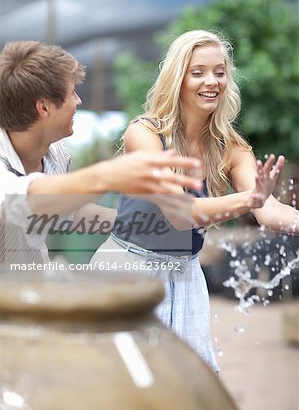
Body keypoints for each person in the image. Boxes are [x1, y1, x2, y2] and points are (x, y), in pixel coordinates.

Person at [90, 30, 299, 373]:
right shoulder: (144, 134)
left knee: (190, 382)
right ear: (178, 78)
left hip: (185, 274)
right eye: (198, 71)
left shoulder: (232, 147)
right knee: (128, 381)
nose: (212, 81)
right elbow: (181, 214)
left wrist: (263, 202)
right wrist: (250, 198)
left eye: (220, 72)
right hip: (128, 270)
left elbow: (270, 211)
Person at [0, 40, 202, 268]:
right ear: (44, 108)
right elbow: (22, 200)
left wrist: (137, 225)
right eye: (72, 93)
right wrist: (109, 175)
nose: (79, 101)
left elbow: (69, 210)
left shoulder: (56, 153)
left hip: (25, 288)